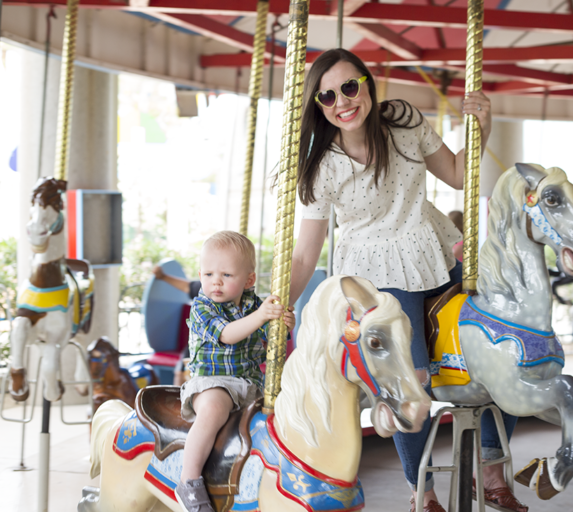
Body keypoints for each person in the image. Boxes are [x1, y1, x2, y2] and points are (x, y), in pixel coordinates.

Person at [286, 49, 525, 512]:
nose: (342, 102)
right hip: (375, 274)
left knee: (503, 348)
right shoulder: (322, 167)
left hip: (431, 250)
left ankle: (491, 467)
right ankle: (422, 489)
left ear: (368, 85)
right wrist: (276, 309)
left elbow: (458, 176)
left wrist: (481, 127)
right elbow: (303, 254)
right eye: (328, 95)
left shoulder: (403, 122)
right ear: (319, 105)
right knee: (409, 384)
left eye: (350, 87)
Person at [174, 231, 295, 512]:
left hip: (250, 382)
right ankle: (188, 480)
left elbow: (271, 337)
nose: (215, 281)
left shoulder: (255, 304)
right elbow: (228, 334)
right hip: (211, 382)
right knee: (215, 410)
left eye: (226, 275)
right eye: (208, 274)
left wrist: (284, 322)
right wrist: (263, 316)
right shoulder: (202, 306)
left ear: (248, 280)